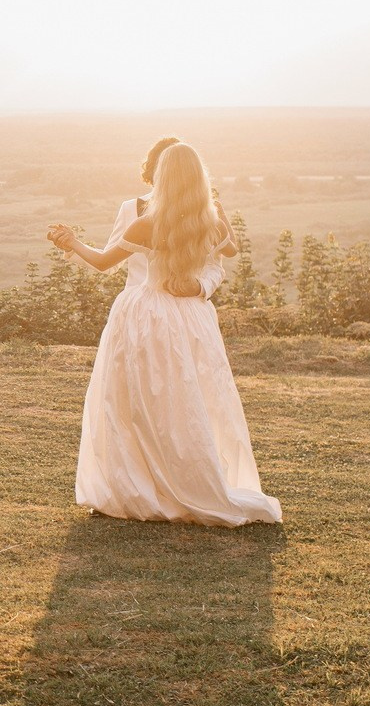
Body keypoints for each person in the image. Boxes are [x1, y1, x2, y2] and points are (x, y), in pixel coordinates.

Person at [48, 143, 281, 527]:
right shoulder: (212, 224)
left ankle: (138, 486)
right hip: (192, 319)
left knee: (135, 403)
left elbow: (104, 262)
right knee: (188, 402)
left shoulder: (145, 224)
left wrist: (72, 242)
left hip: (146, 317)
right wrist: (197, 284)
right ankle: (184, 481)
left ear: (162, 177)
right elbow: (226, 256)